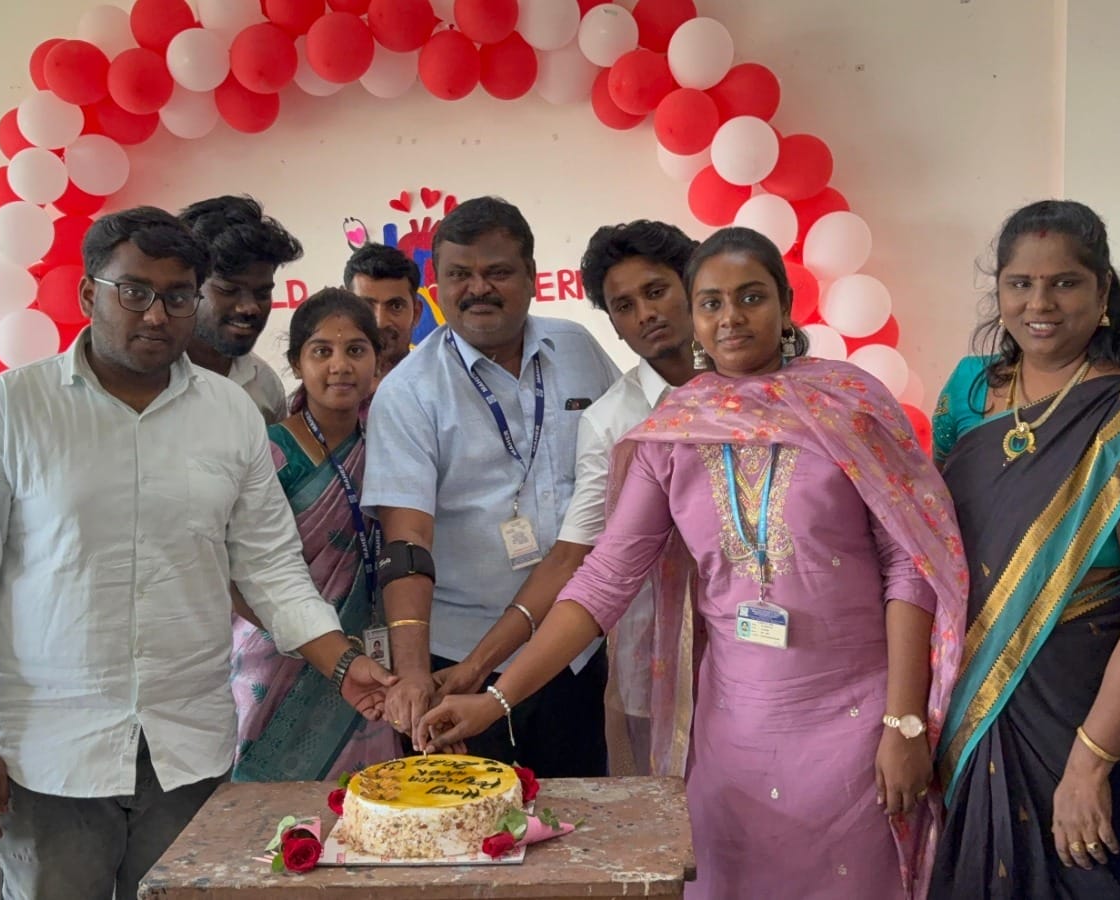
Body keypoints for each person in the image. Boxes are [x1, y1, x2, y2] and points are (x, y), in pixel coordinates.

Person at [418, 227, 968, 900]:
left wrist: (904, 723)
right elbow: (604, 580)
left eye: (751, 297)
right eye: (712, 302)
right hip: (735, 732)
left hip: (858, 725)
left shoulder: (849, 405)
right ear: (695, 314)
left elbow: (908, 565)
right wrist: (496, 697)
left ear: (786, 303)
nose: (731, 317)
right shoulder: (673, 431)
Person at [0, 207, 393, 900]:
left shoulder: (230, 414)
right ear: (88, 293)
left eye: (177, 296)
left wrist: (342, 662)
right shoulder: (7, 411)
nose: (157, 315)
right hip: (50, 753)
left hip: (187, 747)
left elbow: (270, 566)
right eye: (134, 292)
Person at [929, 200, 1120, 900]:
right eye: (1020, 283)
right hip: (975, 703)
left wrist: (1091, 764)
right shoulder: (969, 392)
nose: (1039, 304)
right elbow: (937, 541)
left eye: (1064, 283)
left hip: (1095, 717)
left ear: (1103, 293)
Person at [421, 220, 701, 774]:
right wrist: (484, 678)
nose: (645, 314)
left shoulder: (770, 389)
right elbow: (583, 562)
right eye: (623, 306)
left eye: (656, 291)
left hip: (785, 647)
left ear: (693, 285)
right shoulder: (617, 422)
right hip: (662, 648)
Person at [362, 196, 621, 776]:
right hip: (457, 665)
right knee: (467, 822)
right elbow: (406, 544)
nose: (478, 289)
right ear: (437, 286)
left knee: (575, 817)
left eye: (497, 271)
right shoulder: (409, 392)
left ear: (531, 276)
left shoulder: (577, 349)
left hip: (572, 652)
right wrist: (412, 674)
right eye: (460, 274)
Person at [229, 289, 405, 783]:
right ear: (296, 363)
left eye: (356, 350)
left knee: (366, 797)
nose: (340, 366)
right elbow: (236, 571)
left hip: (370, 650)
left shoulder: (390, 447)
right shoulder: (268, 451)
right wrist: (307, 642)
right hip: (275, 655)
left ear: (377, 361)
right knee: (265, 804)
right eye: (322, 351)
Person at [180, 195, 303, 424]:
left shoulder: (265, 387)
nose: (250, 308)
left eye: (262, 293)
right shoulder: (145, 376)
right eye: (228, 290)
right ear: (186, 288)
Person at [344, 242, 424, 372]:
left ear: (416, 313)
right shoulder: (324, 383)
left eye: (396, 306)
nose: (380, 322)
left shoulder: (441, 383)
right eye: (366, 306)